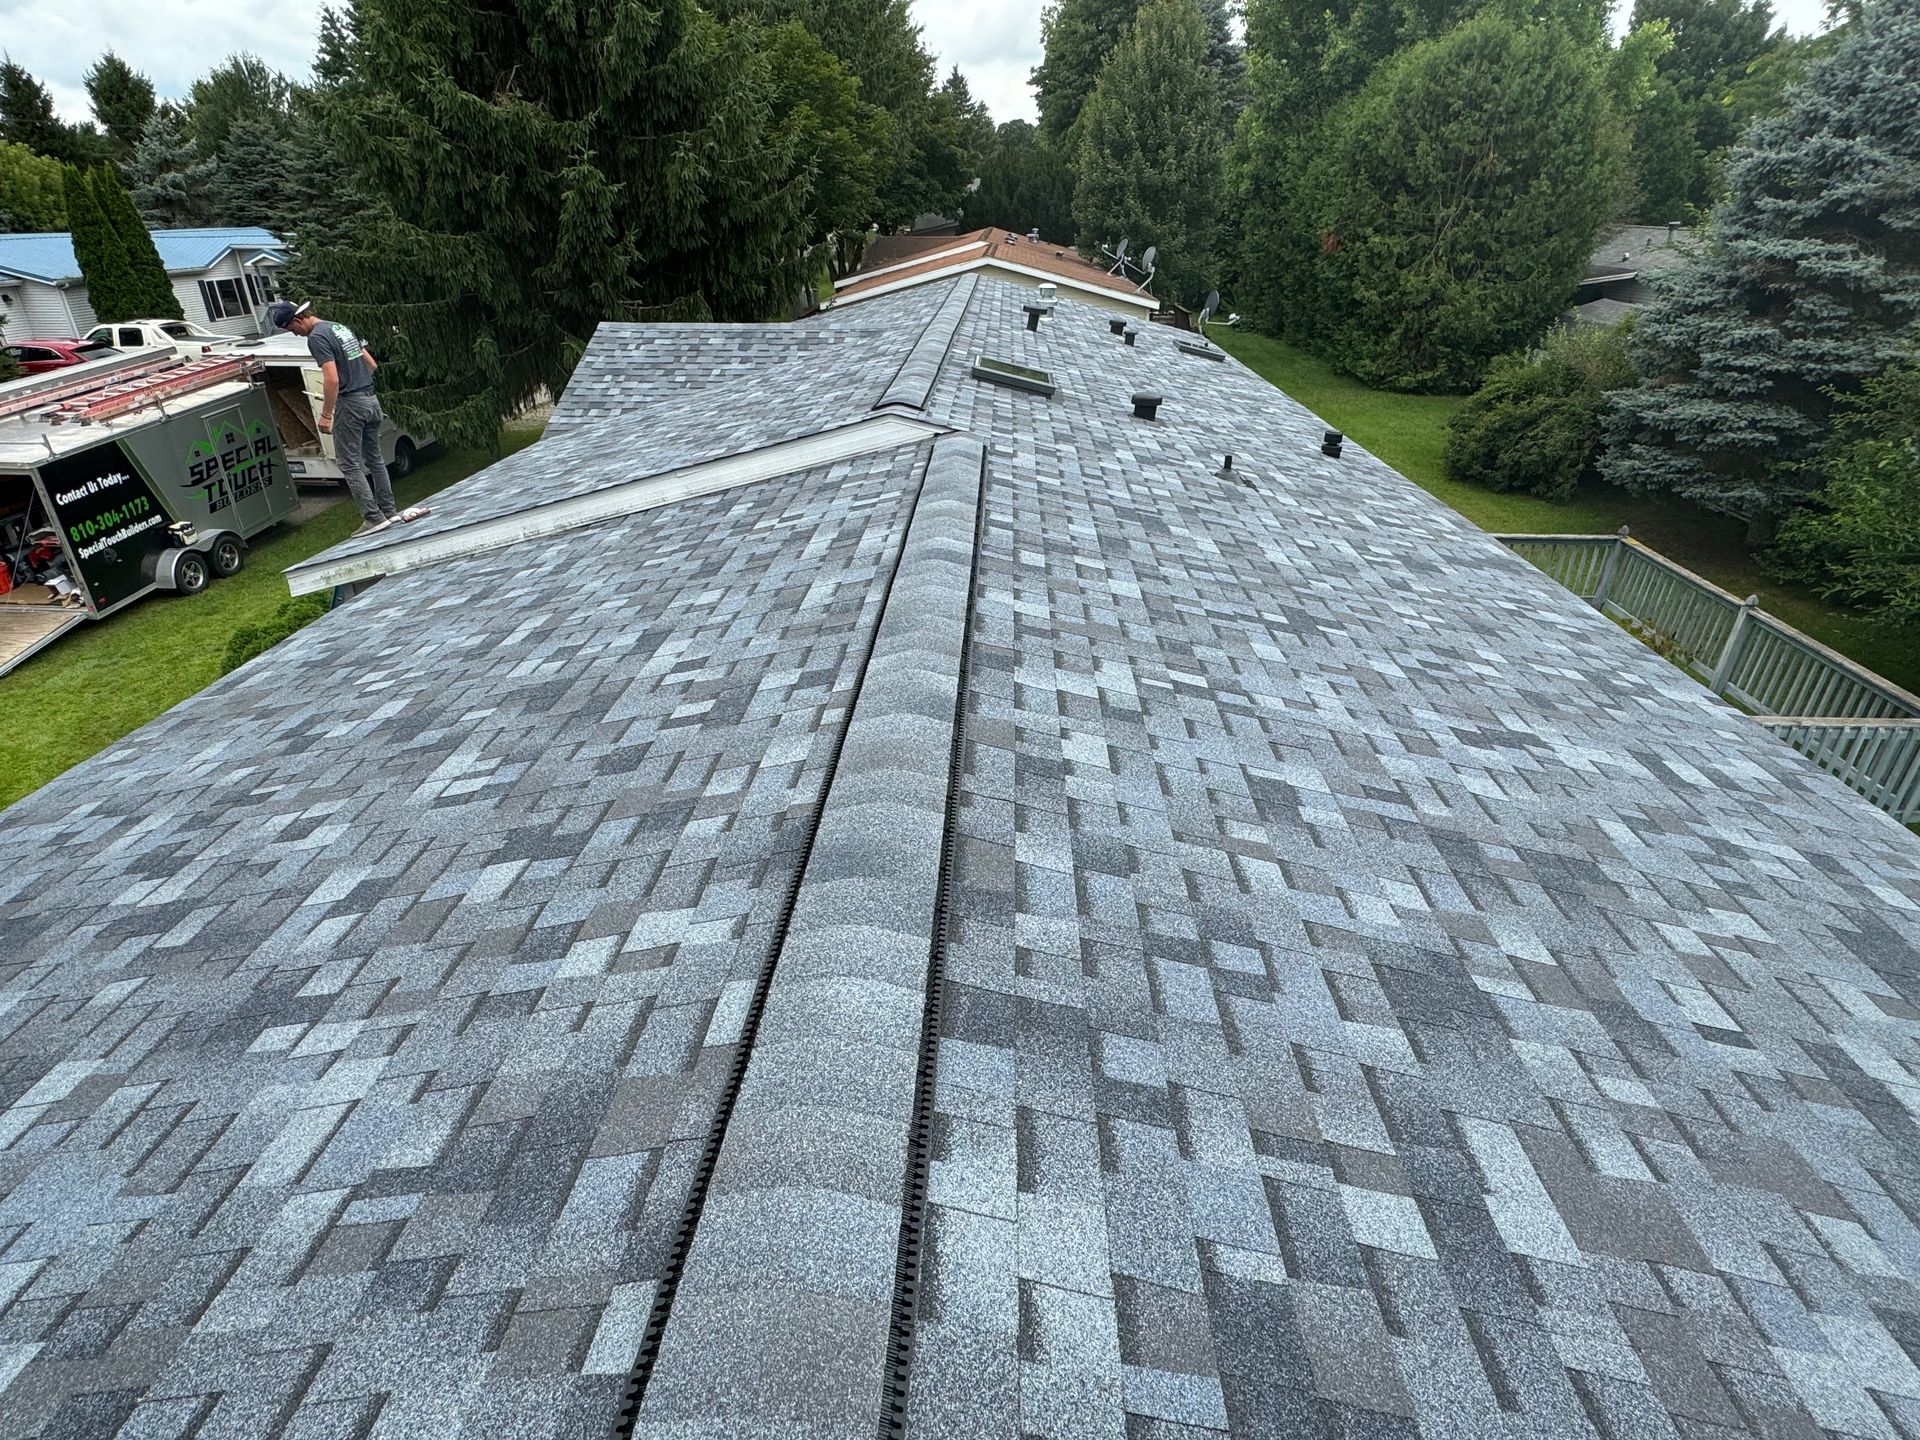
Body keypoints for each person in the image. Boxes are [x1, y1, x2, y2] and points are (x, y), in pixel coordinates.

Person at [267, 300, 428, 538]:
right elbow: (371, 364)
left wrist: (326, 414)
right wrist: (357, 381)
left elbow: (332, 379)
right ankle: (388, 511)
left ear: (297, 320)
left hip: (351, 404)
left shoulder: (317, 337)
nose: (295, 334)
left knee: (348, 463)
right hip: (371, 400)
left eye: (291, 329)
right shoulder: (339, 327)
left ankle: (373, 518)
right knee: (374, 458)